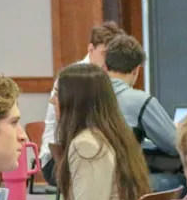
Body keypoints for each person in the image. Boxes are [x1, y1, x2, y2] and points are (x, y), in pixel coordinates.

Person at [21, 64, 150, 200]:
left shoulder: (87, 145)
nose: (53, 101)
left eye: (57, 93)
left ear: (75, 99)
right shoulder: (115, 137)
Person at [39, 21, 126, 185]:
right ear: (90, 49)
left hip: (84, 150)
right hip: (58, 158)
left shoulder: (103, 78)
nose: (108, 60)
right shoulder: (73, 78)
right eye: (104, 53)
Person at [104, 34, 185, 193]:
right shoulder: (140, 101)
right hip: (124, 187)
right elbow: (175, 144)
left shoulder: (87, 96)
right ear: (137, 70)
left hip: (91, 184)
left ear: (105, 67)